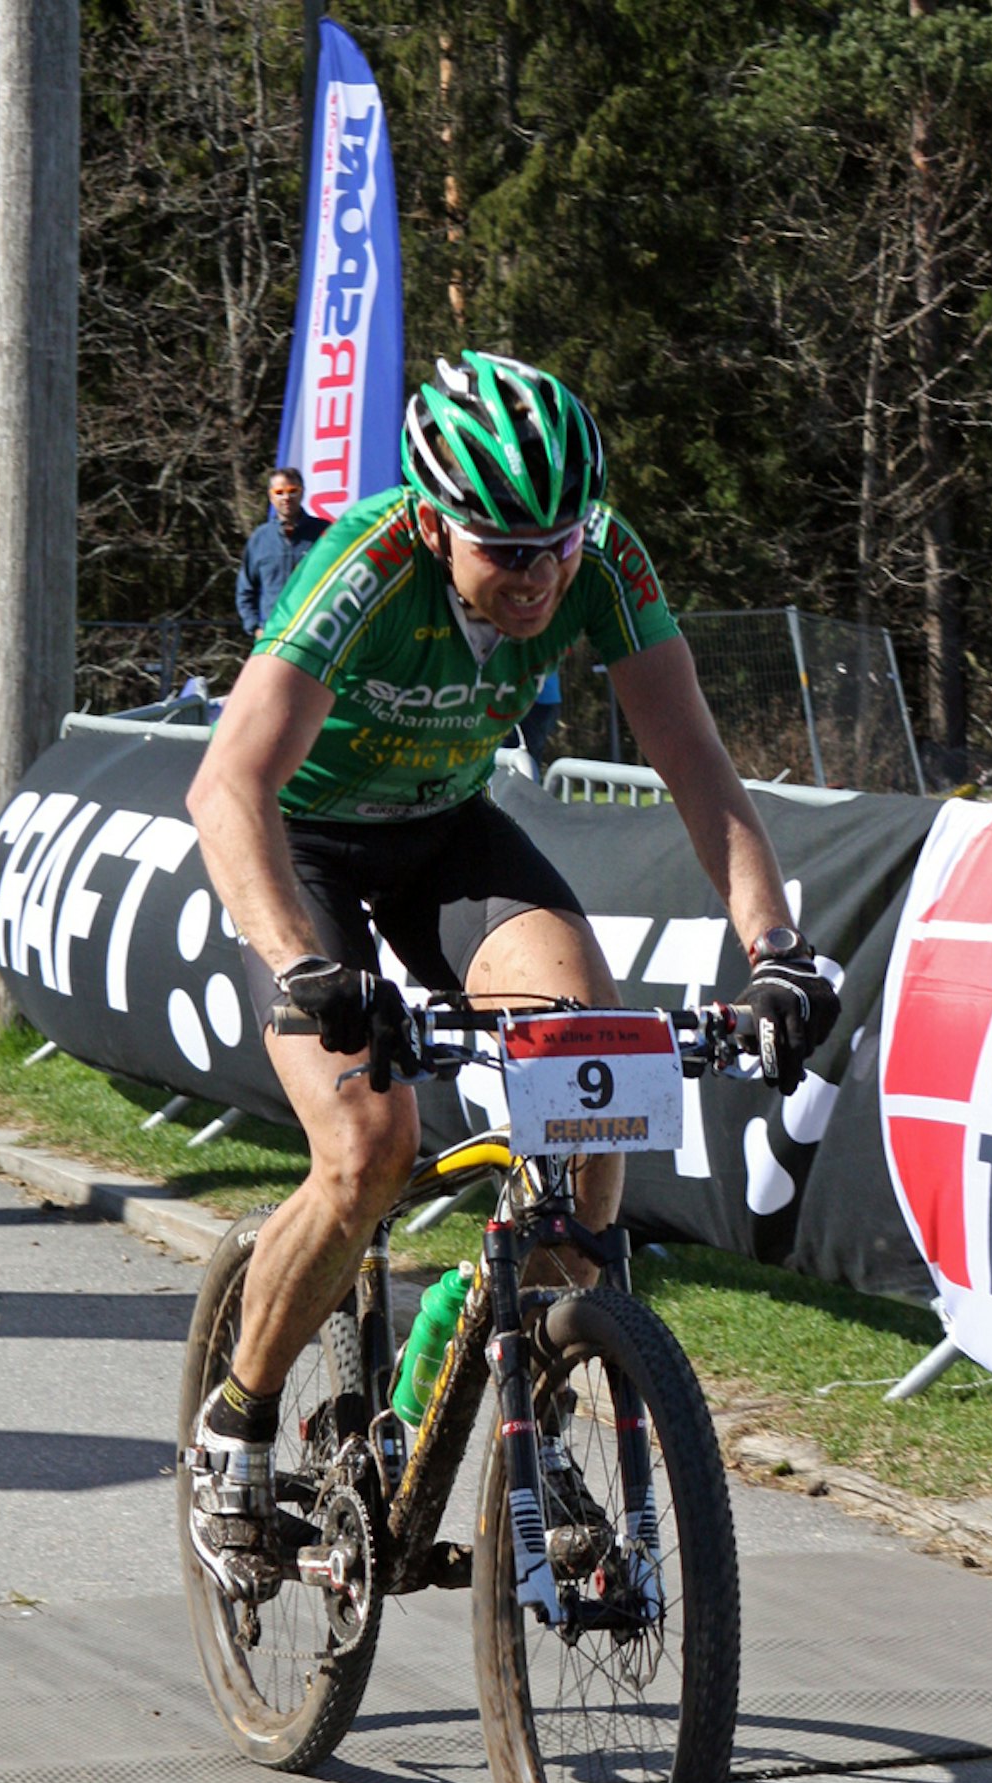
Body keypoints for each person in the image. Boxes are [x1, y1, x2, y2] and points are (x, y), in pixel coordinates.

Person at [185, 349, 840, 1602]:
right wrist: (306, 964)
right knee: (367, 1147)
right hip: (304, 845)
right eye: (505, 549)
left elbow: (696, 763)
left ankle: (520, 1370)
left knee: (585, 1067)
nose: (539, 573)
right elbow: (228, 787)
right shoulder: (364, 566)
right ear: (435, 522)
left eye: (558, 542)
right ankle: (236, 1422)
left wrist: (774, 949)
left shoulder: (600, 560)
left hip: (443, 833)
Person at [234, 467, 330, 639]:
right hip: (272, 636)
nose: (286, 497)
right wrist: (255, 628)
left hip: (315, 636)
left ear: (302, 493)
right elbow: (245, 590)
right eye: (279, 492)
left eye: (293, 491)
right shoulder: (260, 539)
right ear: (271, 496)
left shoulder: (324, 533)